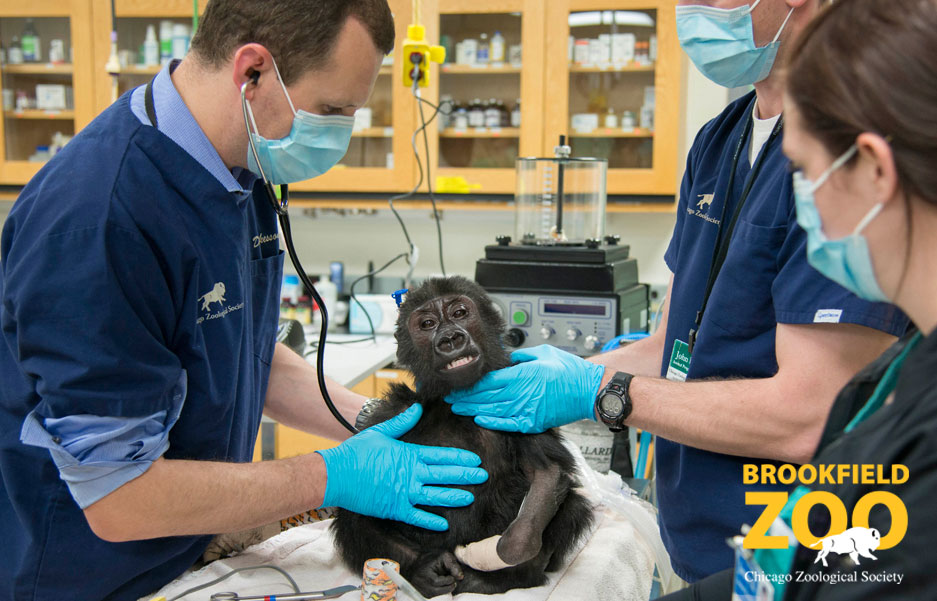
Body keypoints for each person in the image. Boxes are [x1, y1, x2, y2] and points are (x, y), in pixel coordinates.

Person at [0, 2, 488, 600]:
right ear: (253, 71)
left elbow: (245, 355)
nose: (339, 132)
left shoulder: (238, 168)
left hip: (191, 554)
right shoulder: (102, 219)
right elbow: (116, 496)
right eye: (332, 110)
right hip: (89, 576)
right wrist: (329, 476)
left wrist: (381, 423)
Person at [446, 0, 909, 583]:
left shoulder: (846, 153)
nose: (689, 12)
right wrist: (556, 375)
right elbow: (673, 347)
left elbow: (811, 413)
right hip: (700, 537)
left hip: (806, 551)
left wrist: (602, 392)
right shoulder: (720, 141)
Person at [661, 0, 937, 598]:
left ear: (874, 170)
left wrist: (608, 397)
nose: (799, 204)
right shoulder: (899, 379)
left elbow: (867, 569)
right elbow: (801, 564)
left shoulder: (921, 436)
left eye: (803, 171)